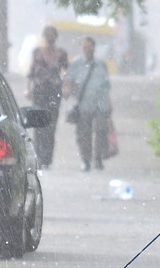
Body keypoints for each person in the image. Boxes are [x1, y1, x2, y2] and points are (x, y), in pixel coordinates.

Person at [63, 37, 111, 172]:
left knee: (101, 131)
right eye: (85, 47)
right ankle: (86, 160)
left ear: (94, 48)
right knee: (83, 134)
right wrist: (67, 90)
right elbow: (68, 79)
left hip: (101, 104)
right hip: (83, 104)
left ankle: (98, 158)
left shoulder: (101, 64)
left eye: (90, 47)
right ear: (81, 49)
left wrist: (109, 103)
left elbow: (106, 85)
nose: (88, 50)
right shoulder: (76, 64)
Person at [25, 25, 68, 169]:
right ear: (44, 36)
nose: (50, 38)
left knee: (50, 126)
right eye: (47, 35)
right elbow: (31, 72)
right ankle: (38, 157)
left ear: (56, 37)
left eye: (52, 35)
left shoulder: (61, 53)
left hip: (54, 92)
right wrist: (28, 88)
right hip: (39, 92)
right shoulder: (37, 52)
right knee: (38, 126)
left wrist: (67, 86)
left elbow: (67, 71)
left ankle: (47, 159)